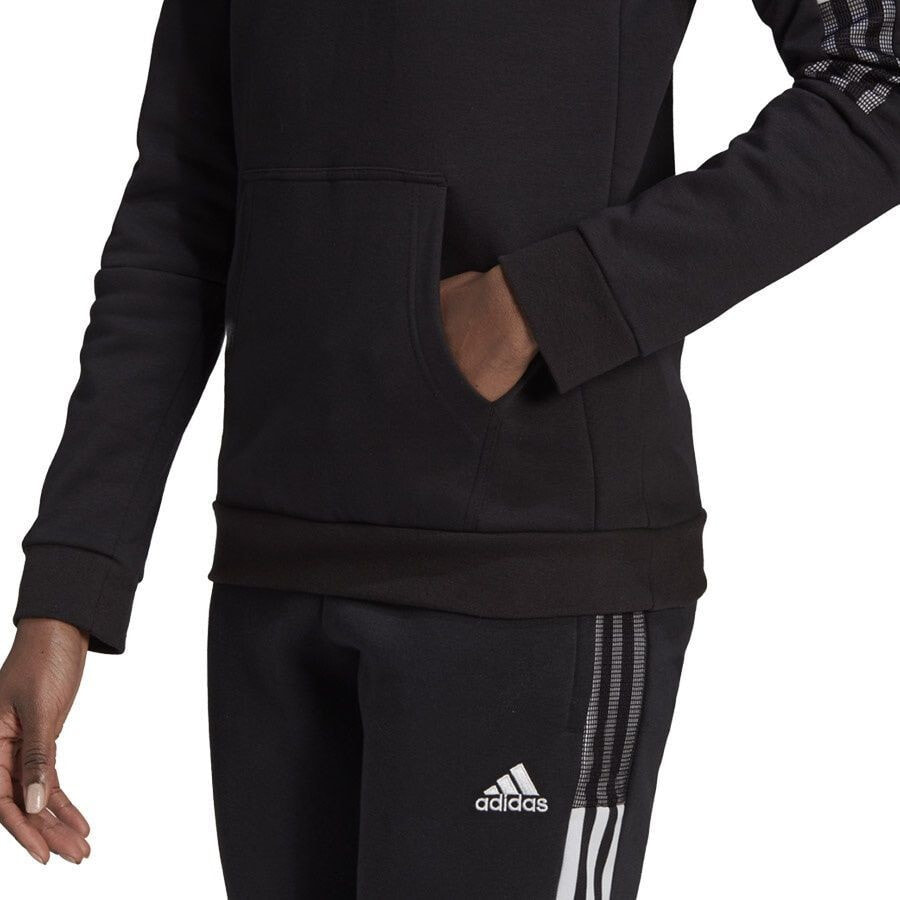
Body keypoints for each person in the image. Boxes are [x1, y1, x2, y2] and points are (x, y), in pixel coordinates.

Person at [1, 0, 897, 896]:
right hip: (272, 585)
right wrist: (69, 589)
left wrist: (548, 303)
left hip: (529, 574)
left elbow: (881, 73)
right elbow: (184, 208)